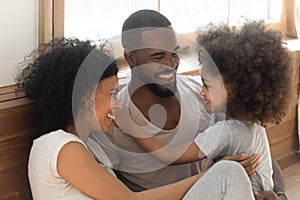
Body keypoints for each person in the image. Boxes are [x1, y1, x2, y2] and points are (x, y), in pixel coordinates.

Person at [16, 38, 256, 199]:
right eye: (111, 94)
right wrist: (209, 175)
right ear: (83, 97)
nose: (118, 103)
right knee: (228, 173)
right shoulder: (60, 146)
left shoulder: (90, 148)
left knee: (229, 173)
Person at [88, 9, 287, 200]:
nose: (171, 64)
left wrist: (279, 195)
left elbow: (264, 160)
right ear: (130, 58)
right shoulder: (111, 120)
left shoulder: (207, 97)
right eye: (158, 57)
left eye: (175, 54)